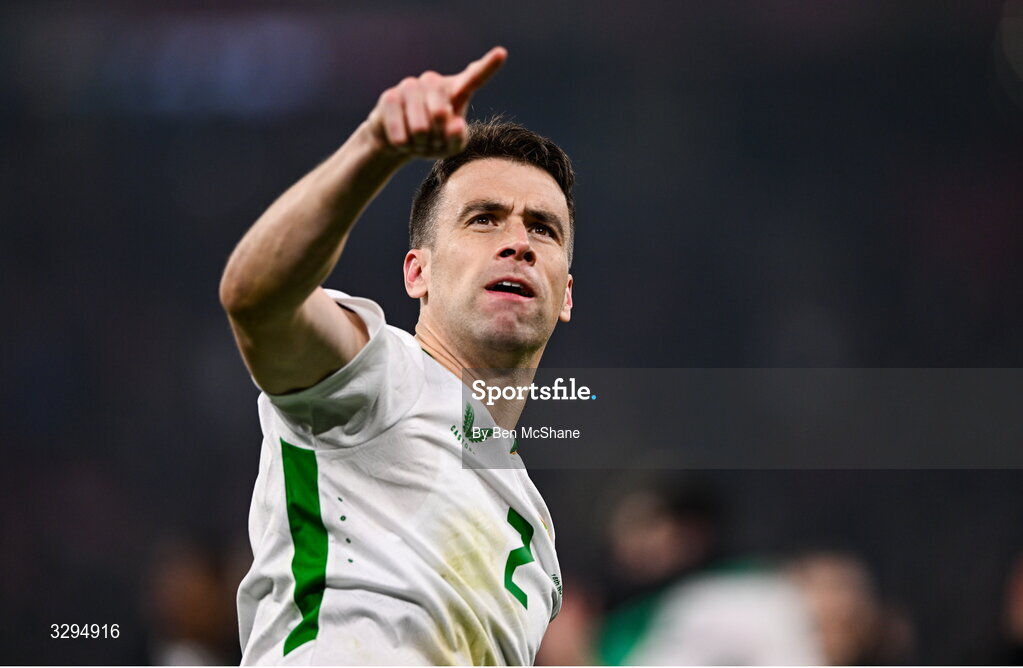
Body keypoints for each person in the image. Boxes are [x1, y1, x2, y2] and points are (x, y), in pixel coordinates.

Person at [219, 46, 574, 665]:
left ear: (566, 294)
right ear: (418, 273)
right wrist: (374, 147)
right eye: (484, 220)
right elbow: (256, 299)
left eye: (542, 228)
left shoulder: (539, 542)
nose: (519, 243)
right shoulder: (382, 376)